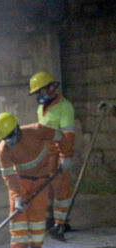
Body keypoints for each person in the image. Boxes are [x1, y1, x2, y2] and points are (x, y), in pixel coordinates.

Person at [0, 112, 65, 248]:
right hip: (21, 181)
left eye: (11, 136)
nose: (9, 141)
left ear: (17, 129)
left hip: (41, 179)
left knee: (37, 215)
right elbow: (9, 176)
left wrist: (66, 157)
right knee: (17, 214)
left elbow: (61, 137)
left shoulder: (37, 131)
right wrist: (17, 197)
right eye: (6, 139)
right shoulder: (3, 150)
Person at [29, 71, 75, 236]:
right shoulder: (42, 107)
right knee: (46, 188)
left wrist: (66, 157)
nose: (38, 96)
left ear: (51, 87)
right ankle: (49, 219)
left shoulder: (65, 107)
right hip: (45, 155)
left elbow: (68, 135)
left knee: (61, 189)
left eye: (40, 91)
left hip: (58, 153)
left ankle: (61, 223)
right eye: (36, 93)